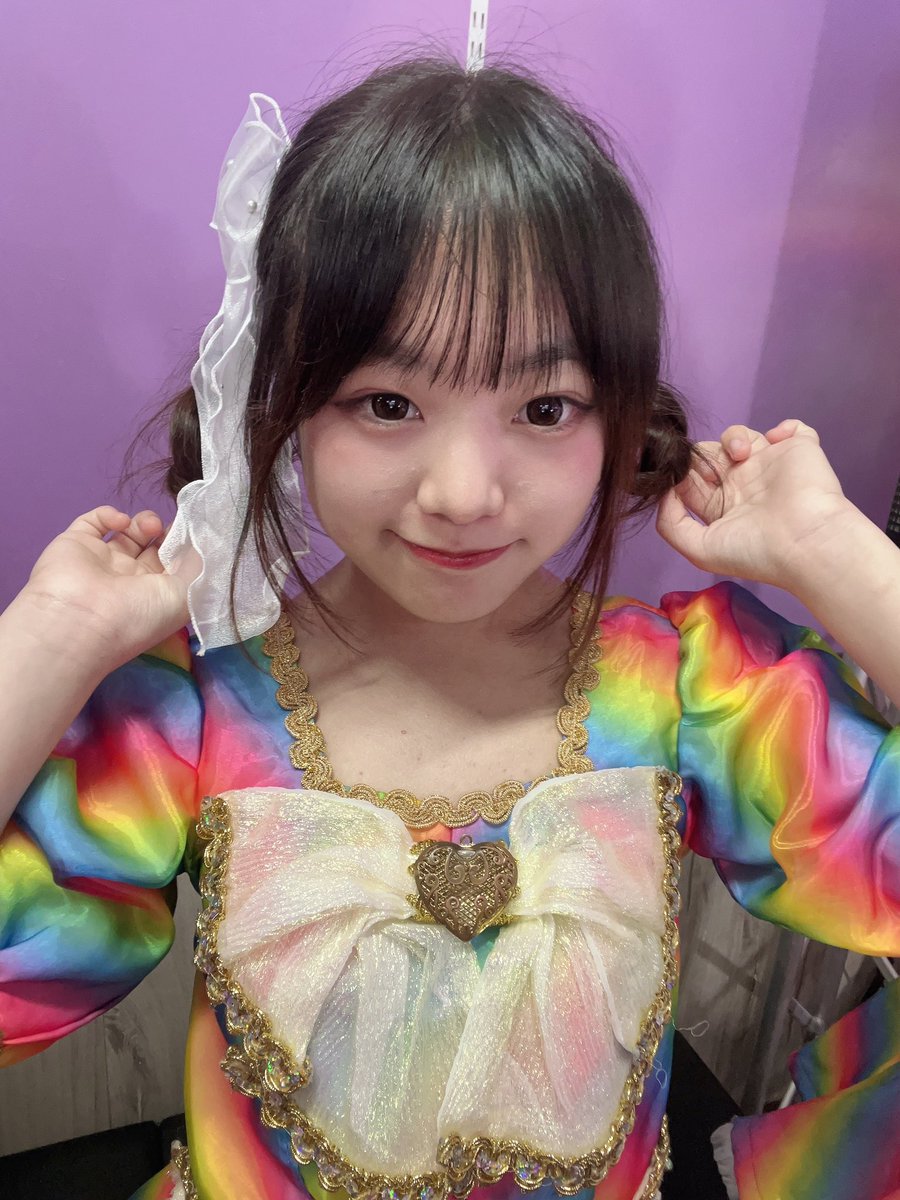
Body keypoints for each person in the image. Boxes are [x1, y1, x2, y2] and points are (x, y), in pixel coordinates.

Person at [1, 56, 898, 1200]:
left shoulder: (690, 684)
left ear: (618, 413)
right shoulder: (191, 710)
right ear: (284, 403)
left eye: (543, 407)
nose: (464, 492)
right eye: (389, 404)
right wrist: (51, 636)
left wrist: (835, 554)